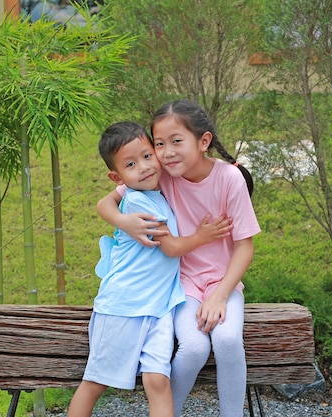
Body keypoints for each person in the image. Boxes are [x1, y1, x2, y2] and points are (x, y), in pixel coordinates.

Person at [96, 100, 261, 417]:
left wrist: (220, 295)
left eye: (176, 142)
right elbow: (106, 204)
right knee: (195, 346)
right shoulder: (159, 175)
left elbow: (244, 246)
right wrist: (124, 222)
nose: (167, 152)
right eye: (159, 144)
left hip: (222, 283)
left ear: (203, 142)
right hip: (180, 283)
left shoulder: (229, 179)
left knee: (227, 341)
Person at [67, 121, 232, 417]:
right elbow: (170, 248)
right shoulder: (139, 202)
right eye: (131, 164)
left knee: (157, 380)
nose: (143, 167)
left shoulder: (160, 188)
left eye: (146, 156)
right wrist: (201, 236)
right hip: (124, 306)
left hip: (159, 309)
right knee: (95, 383)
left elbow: (106, 204)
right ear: (117, 176)